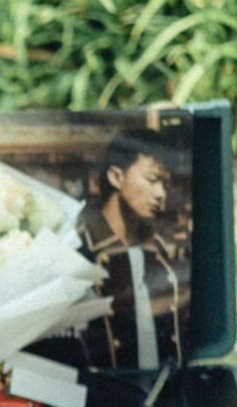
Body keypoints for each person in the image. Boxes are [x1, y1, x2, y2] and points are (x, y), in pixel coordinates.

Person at [77, 128, 190, 371]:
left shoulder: (157, 249)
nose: (161, 194)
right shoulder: (79, 246)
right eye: (151, 180)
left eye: (165, 184)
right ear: (116, 177)